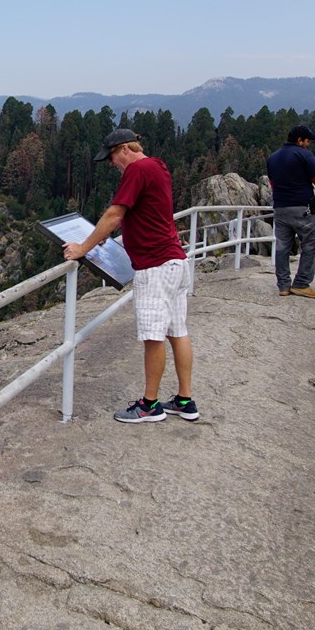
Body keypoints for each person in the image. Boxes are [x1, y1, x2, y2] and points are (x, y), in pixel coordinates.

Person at [64, 129, 198, 424]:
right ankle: (184, 400)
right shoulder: (158, 165)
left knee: (153, 336)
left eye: (112, 156)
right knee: (178, 331)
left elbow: (115, 214)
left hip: (155, 265)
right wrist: (102, 238)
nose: (112, 164)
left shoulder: (137, 170)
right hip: (175, 261)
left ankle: (150, 405)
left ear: (125, 149)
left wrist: (83, 247)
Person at [265, 125, 315, 299]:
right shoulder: (304, 154)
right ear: (300, 140)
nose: (308, 144)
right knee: (311, 244)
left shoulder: (272, 158)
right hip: (303, 208)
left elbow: (273, 184)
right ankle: (301, 283)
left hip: (280, 208)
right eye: (307, 140)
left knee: (282, 246)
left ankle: (283, 285)